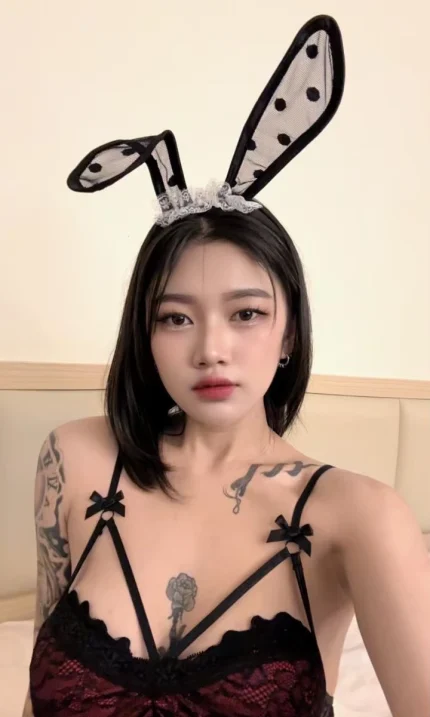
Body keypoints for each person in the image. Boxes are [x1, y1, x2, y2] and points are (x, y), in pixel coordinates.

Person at [23, 15, 430, 717]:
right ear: (144, 334)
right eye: (175, 318)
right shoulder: (74, 459)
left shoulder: (359, 516)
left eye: (245, 313)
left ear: (289, 331)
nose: (211, 348)